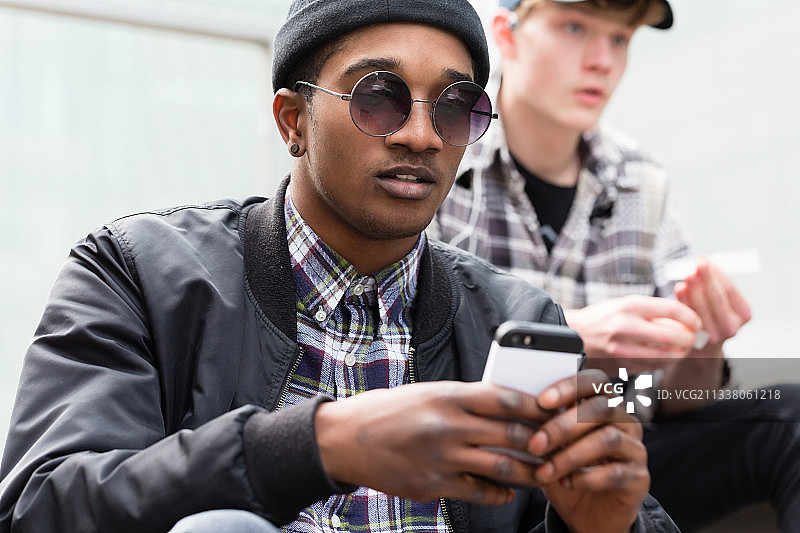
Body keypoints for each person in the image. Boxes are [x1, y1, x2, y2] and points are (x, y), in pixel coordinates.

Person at [0, 1, 680, 532]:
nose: (420, 134)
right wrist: (322, 445)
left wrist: (599, 524)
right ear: (292, 120)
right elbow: (39, 506)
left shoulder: (519, 318)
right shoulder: (138, 273)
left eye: (454, 106)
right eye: (378, 97)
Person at [432, 0, 800, 531]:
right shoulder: (442, 156)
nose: (602, 60)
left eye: (619, 39)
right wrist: (572, 335)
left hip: (614, 455)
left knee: (788, 415)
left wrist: (703, 341)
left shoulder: (642, 183)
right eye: (575, 27)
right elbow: (409, 357)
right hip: (485, 457)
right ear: (506, 36)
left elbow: (672, 401)